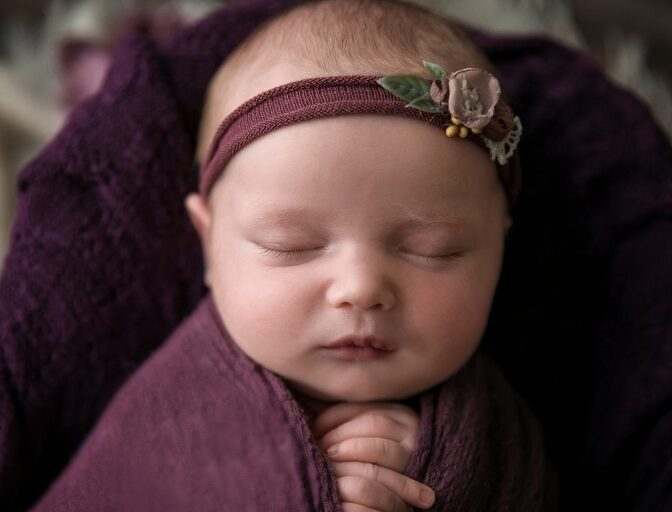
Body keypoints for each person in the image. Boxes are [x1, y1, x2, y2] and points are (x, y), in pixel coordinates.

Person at [30, 1, 551, 511]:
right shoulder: (167, 413)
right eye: (291, 246)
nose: (360, 288)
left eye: (433, 250)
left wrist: (447, 475)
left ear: (499, 244)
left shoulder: (500, 432)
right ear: (209, 243)